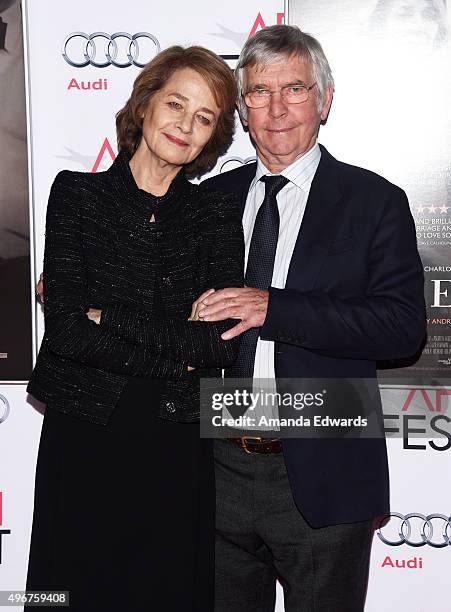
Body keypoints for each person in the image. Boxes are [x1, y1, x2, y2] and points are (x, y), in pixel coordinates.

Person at [196, 25, 426, 611]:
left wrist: (274, 307)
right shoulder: (207, 201)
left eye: (294, 89)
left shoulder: (374, 200)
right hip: (212, 469)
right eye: (258, 92)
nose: (276, 109)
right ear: (242, 109)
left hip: (323, 470)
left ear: (324, 100)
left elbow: (402, 328)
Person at [25, 45, 243, 612]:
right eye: (176, 104)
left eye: (204, 118)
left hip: (172, 450)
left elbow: (218, 346)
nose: (184, 125)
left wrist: (113, 317)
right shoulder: (76, 195)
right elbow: (68, 334)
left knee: (164, 593)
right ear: (144, 106)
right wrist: (177, 349)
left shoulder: (214, 217)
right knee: (69, 594)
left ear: (212, 139)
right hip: (84, 440)